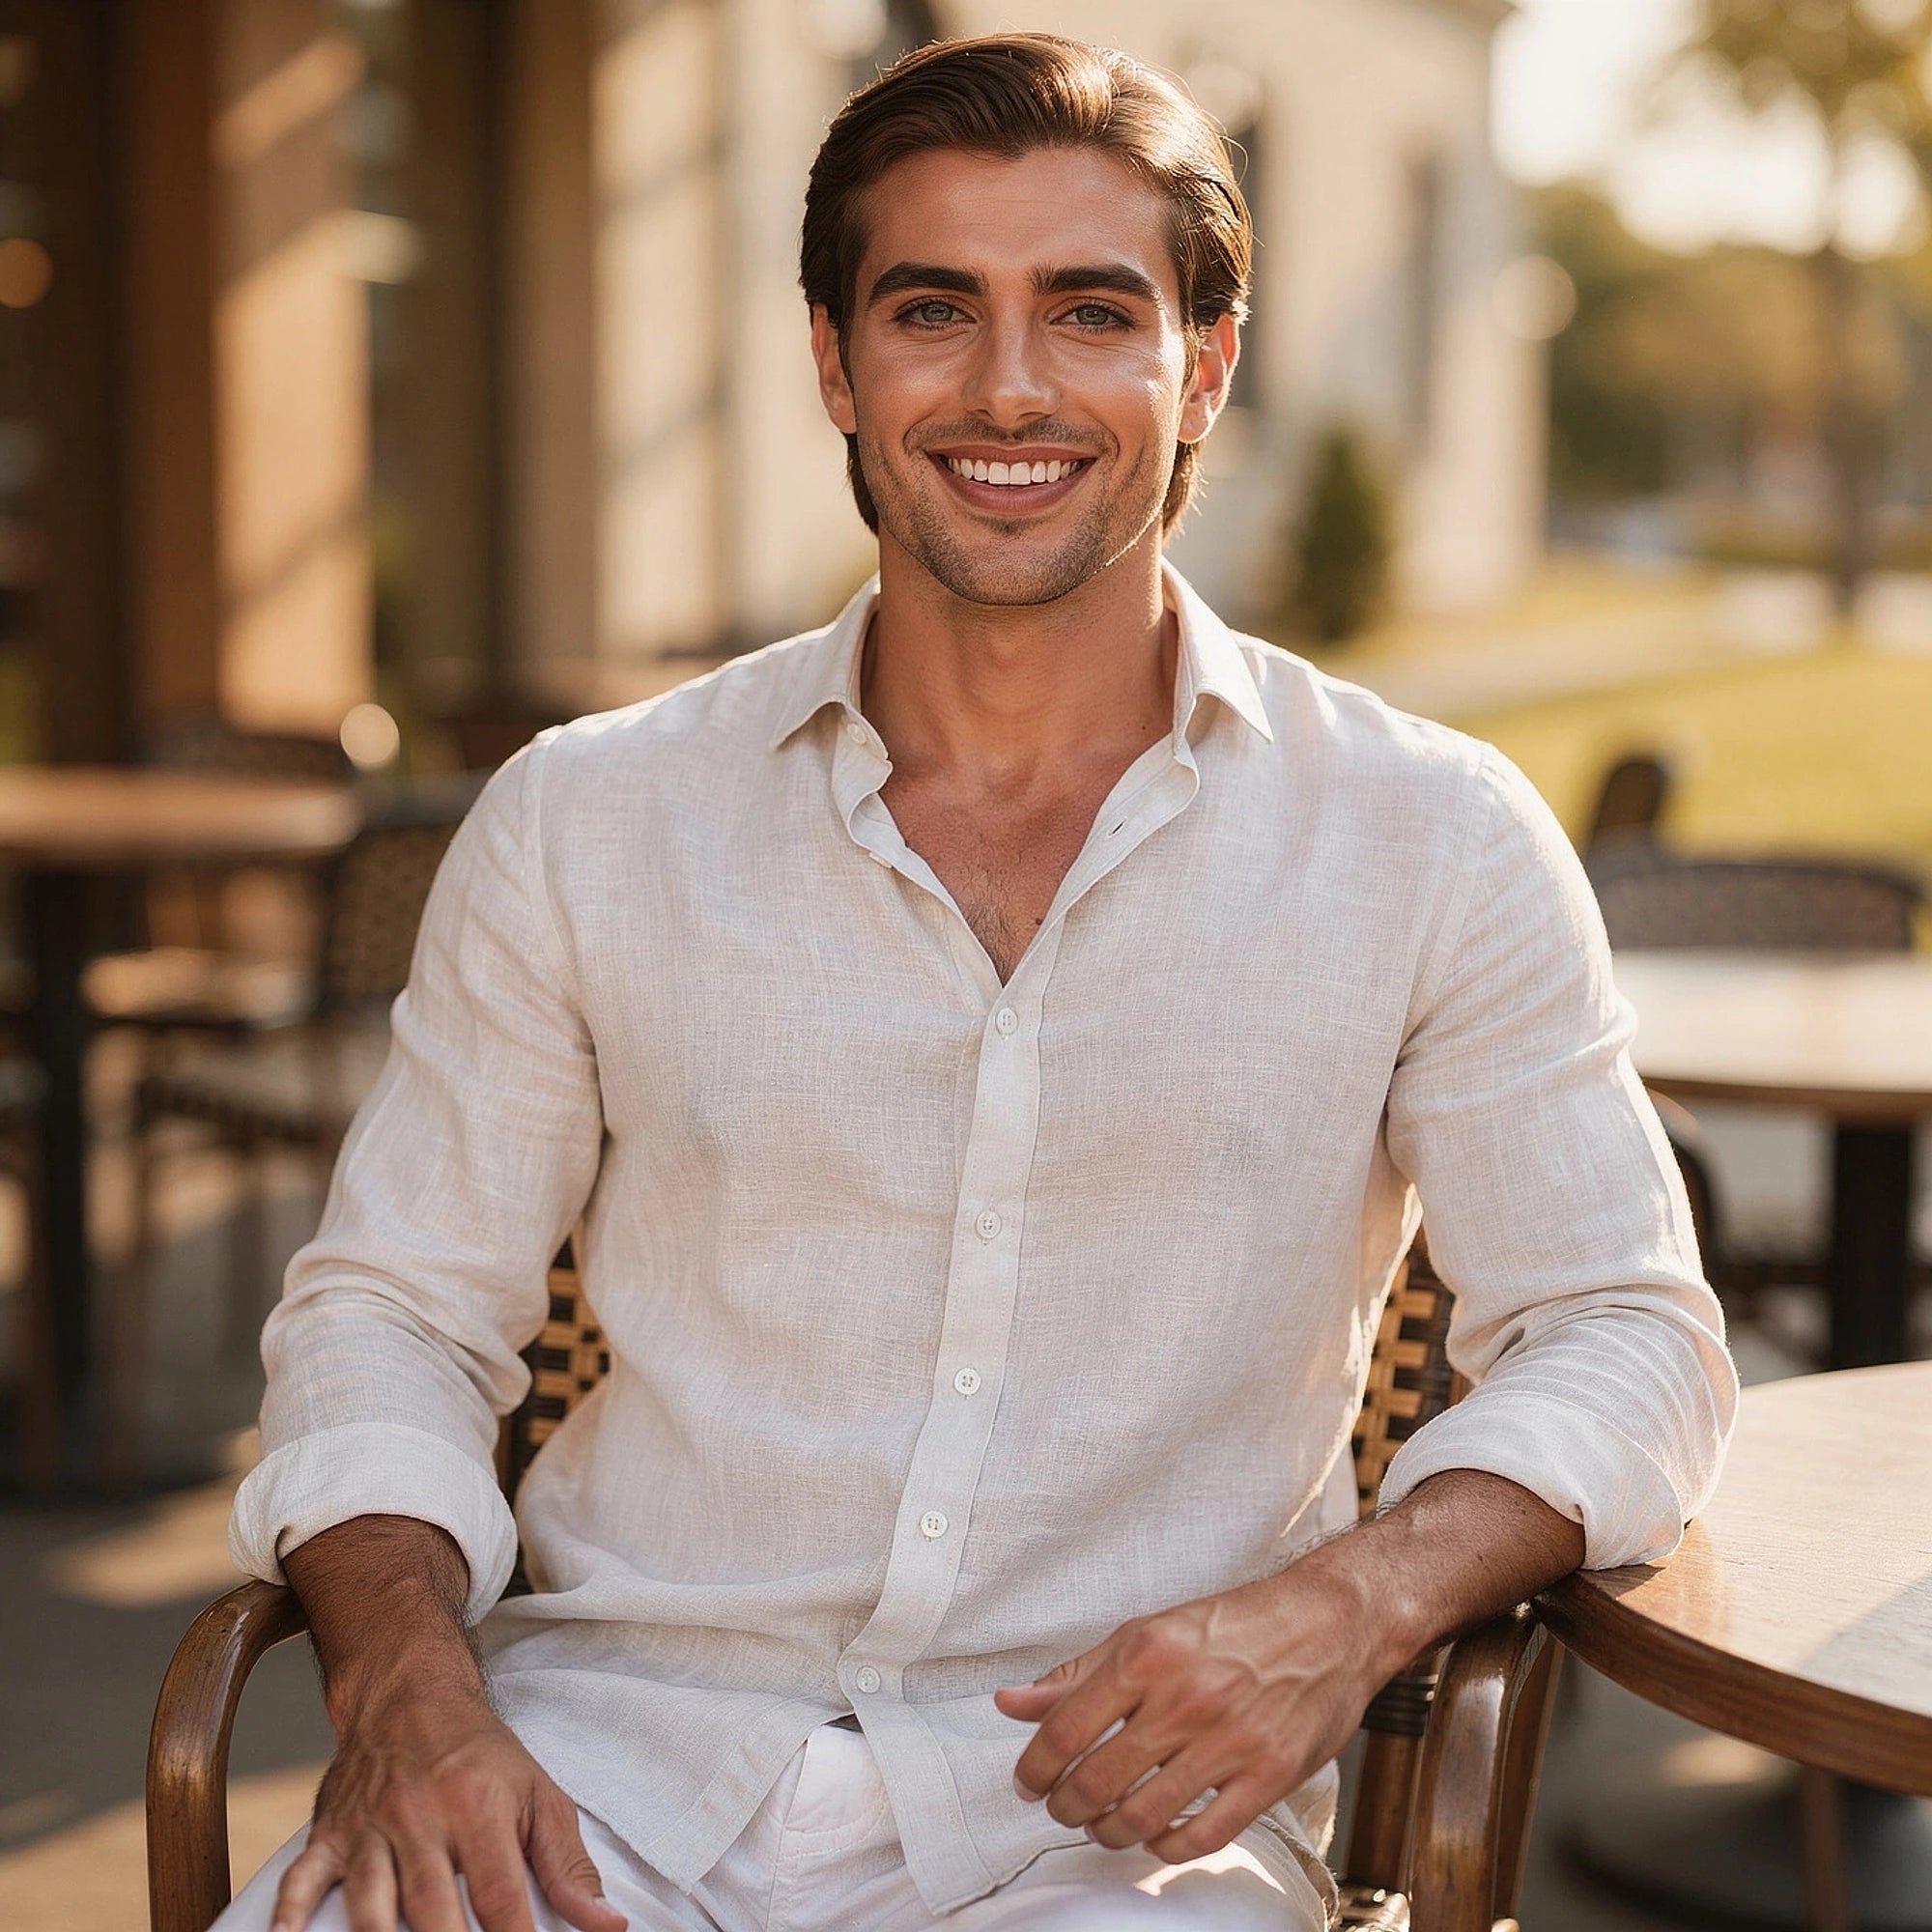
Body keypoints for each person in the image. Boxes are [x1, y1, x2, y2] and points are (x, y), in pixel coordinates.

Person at [218, 34, 1736, 1932]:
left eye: (1091, 312)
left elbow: (1623, 1331)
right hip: (590, 1775)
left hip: (1117, 1835)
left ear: (1206, 366)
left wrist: (1349, 1599)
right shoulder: (586, 819)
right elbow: (390, 1316)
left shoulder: (1430, 834)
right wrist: (402, 1679)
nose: (1009, 386)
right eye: (933, 310)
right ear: (837, 366)